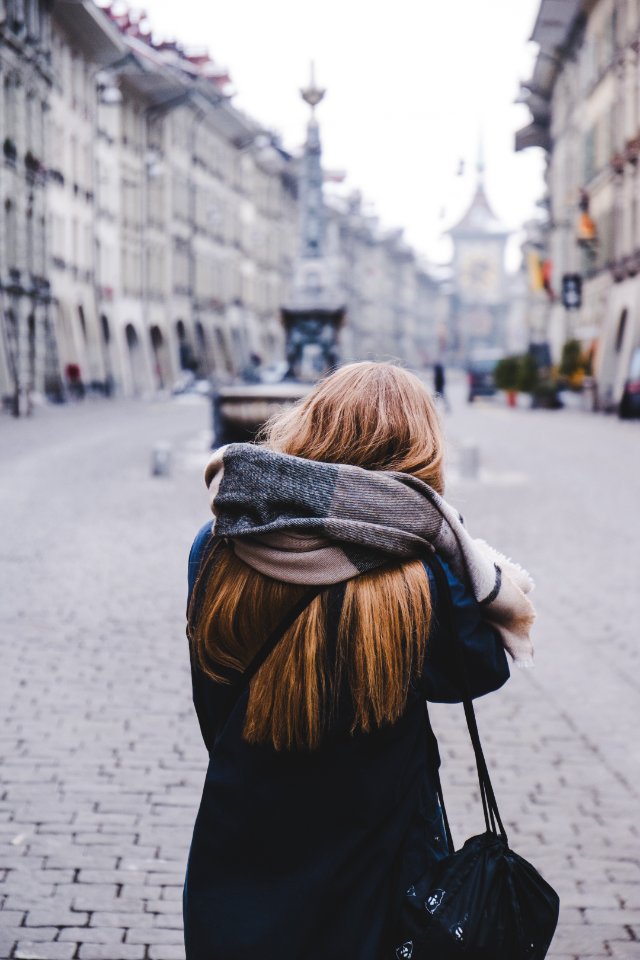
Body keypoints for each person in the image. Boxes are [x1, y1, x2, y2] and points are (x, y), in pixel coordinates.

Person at [184, 362, 534, 960]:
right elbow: (480, 671)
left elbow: (212, 680)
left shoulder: (218, 542)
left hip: (242, 824)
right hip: (377, 852)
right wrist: (457, 552)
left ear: (310, 423)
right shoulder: (423, 571)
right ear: (418, 449)